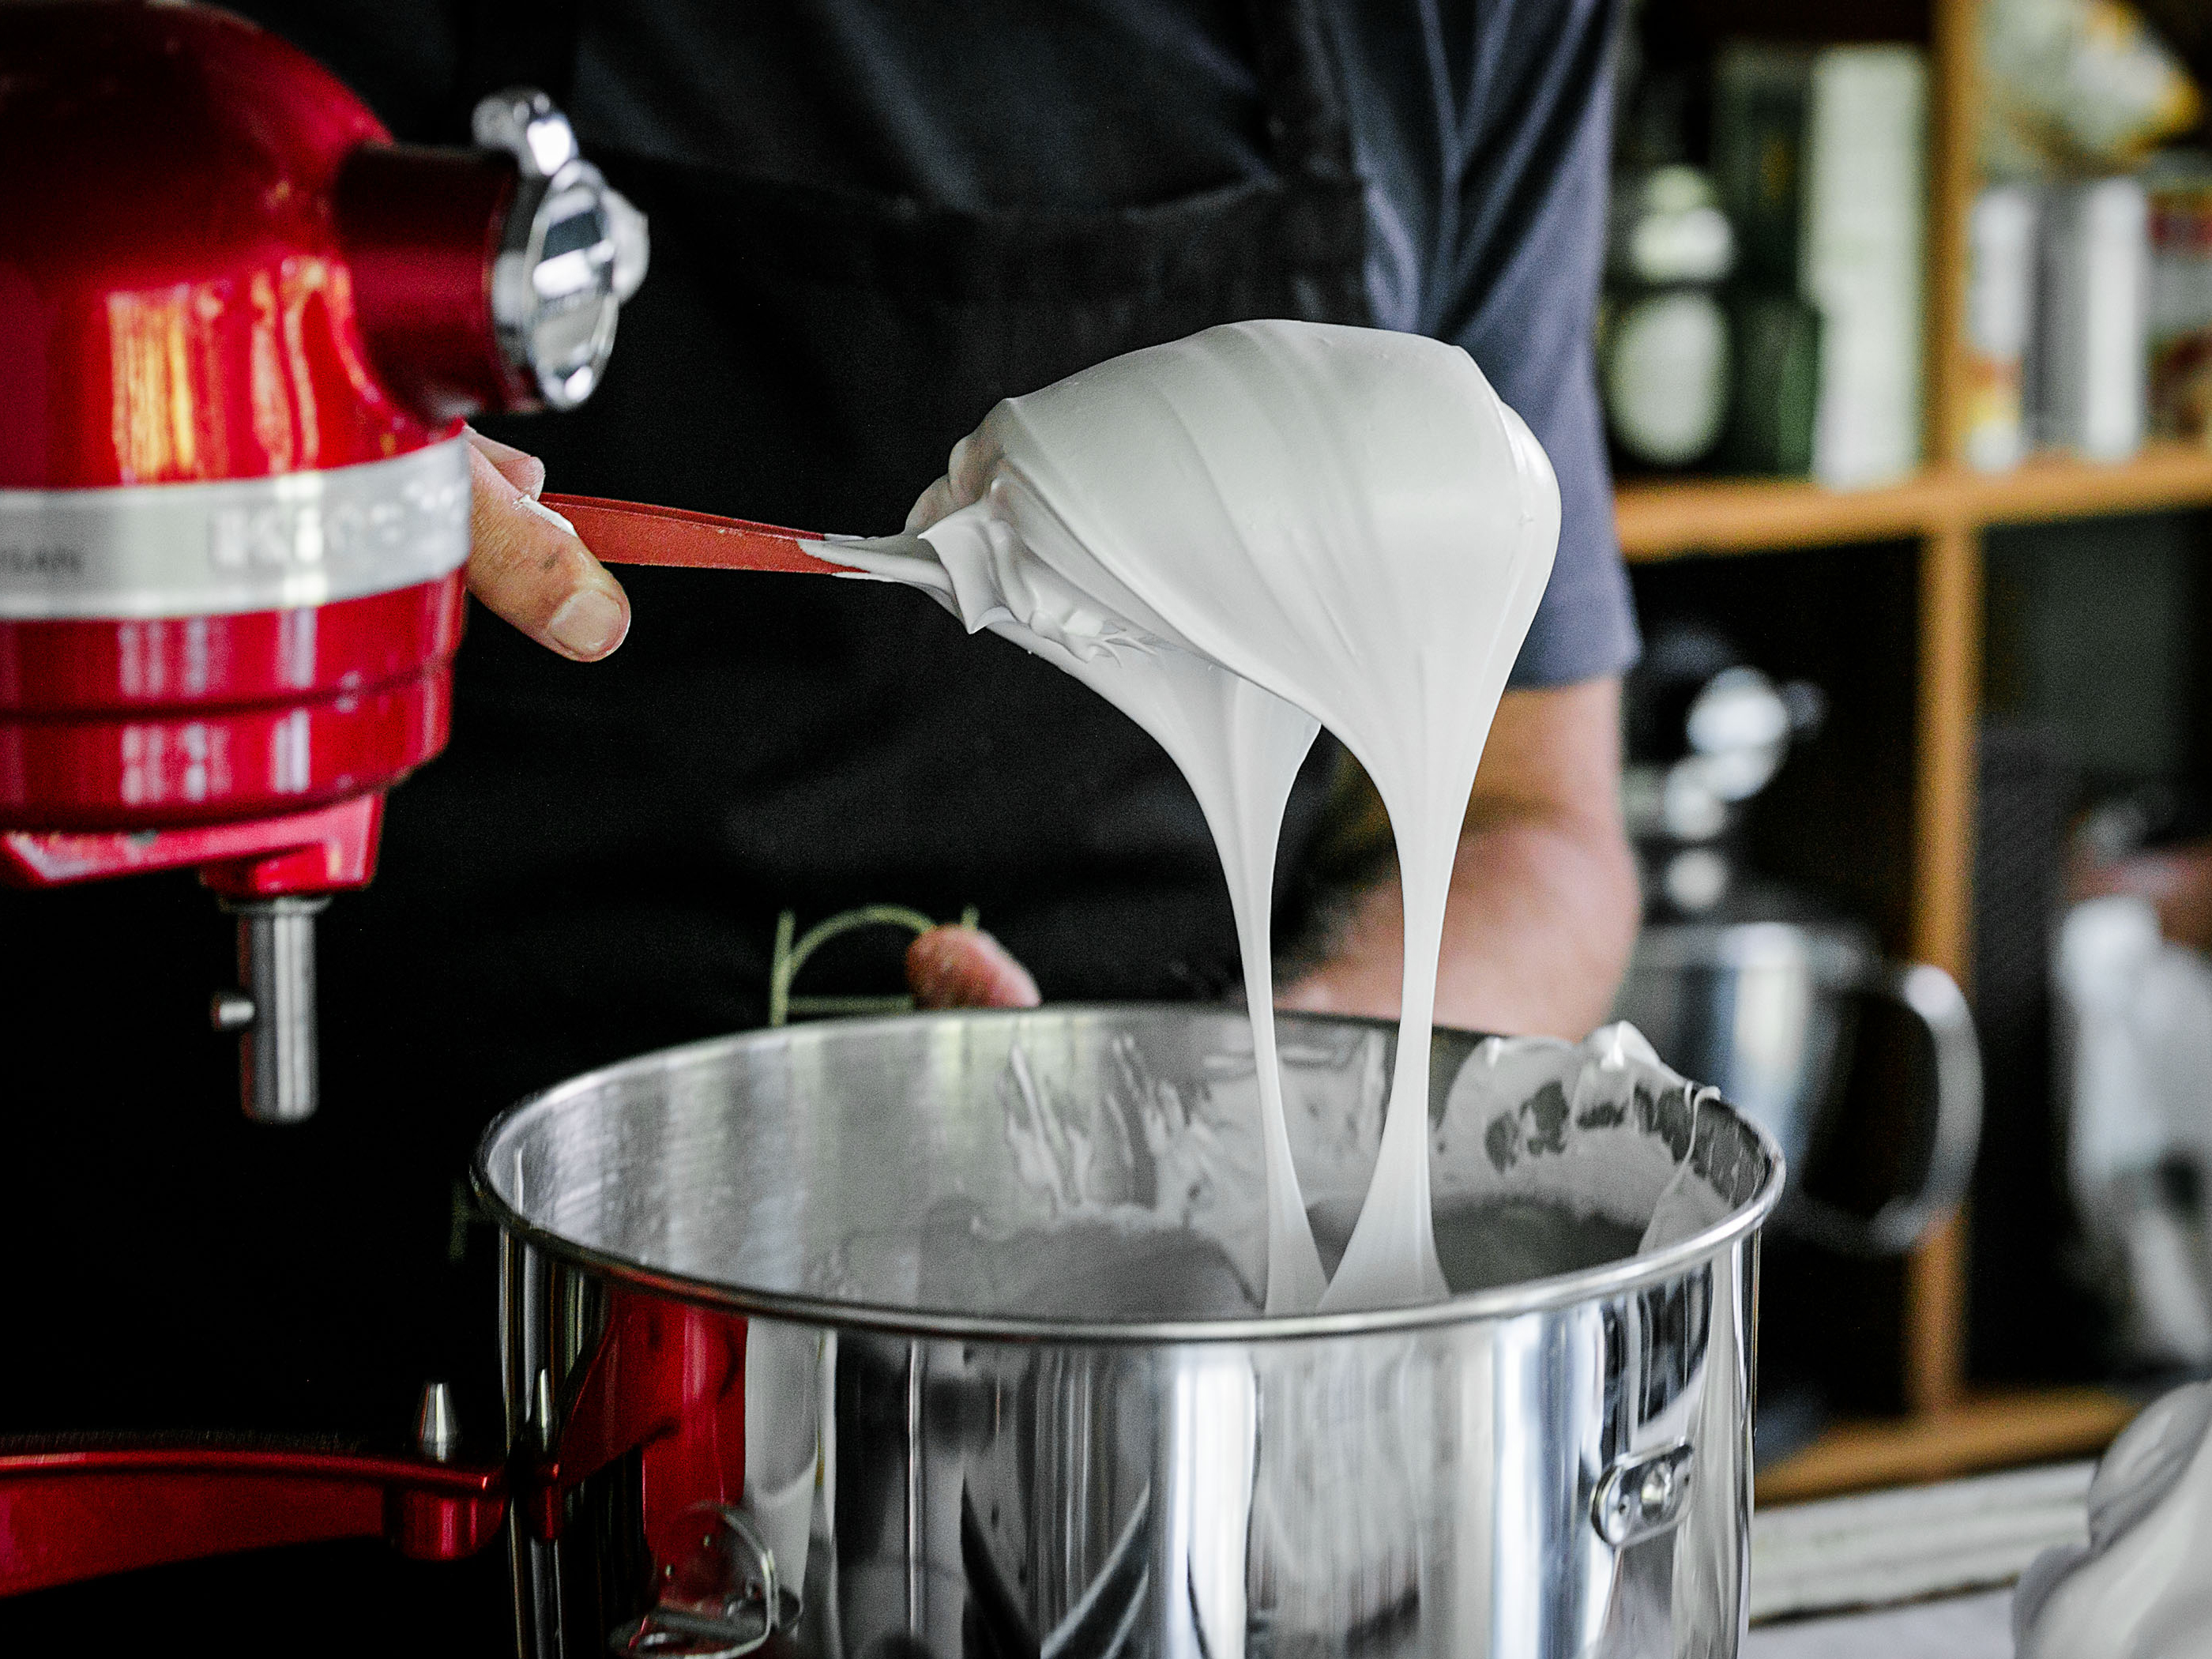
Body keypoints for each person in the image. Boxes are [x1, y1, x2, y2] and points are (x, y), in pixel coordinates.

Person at [0, 2, 1638, 1651]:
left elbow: (1536, 829)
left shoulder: (1464, 24)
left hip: (1145, 1497)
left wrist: (1212, 1126)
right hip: (340, 1393)